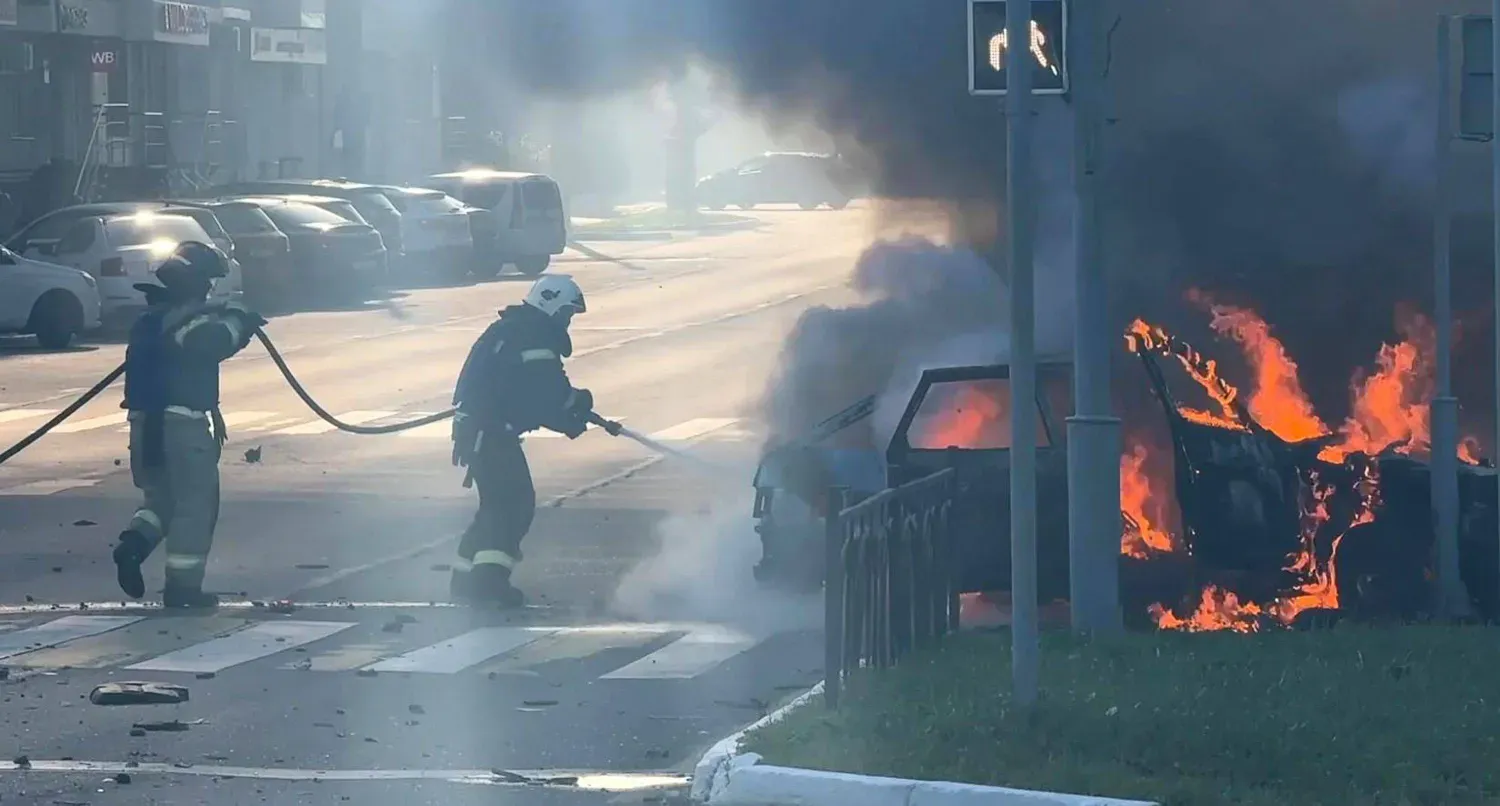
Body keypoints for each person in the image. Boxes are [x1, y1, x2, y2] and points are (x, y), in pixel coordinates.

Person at [112, 242, 266, 608]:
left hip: (145, 426)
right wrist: (237, 320)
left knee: (161, 500)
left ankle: (133, 546)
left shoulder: (151, 319)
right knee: (195, 506)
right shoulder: (186, 319)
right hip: (181, 428)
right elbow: (209, 343)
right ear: (195, 282)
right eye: (208, 282)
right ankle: (183, 588)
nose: (210, 290)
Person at [449, 274, 611, 605]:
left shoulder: (517, 329)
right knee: (514, 506)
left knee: (495, 507)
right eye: (566, 313)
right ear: (550, 305)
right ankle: (488, 584)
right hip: (490, 433)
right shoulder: (533, 335)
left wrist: (568, 415)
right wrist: (575, 405)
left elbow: (529, 395)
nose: (567, 321)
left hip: (481, 431)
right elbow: (546, 392)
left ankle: (464, 580)